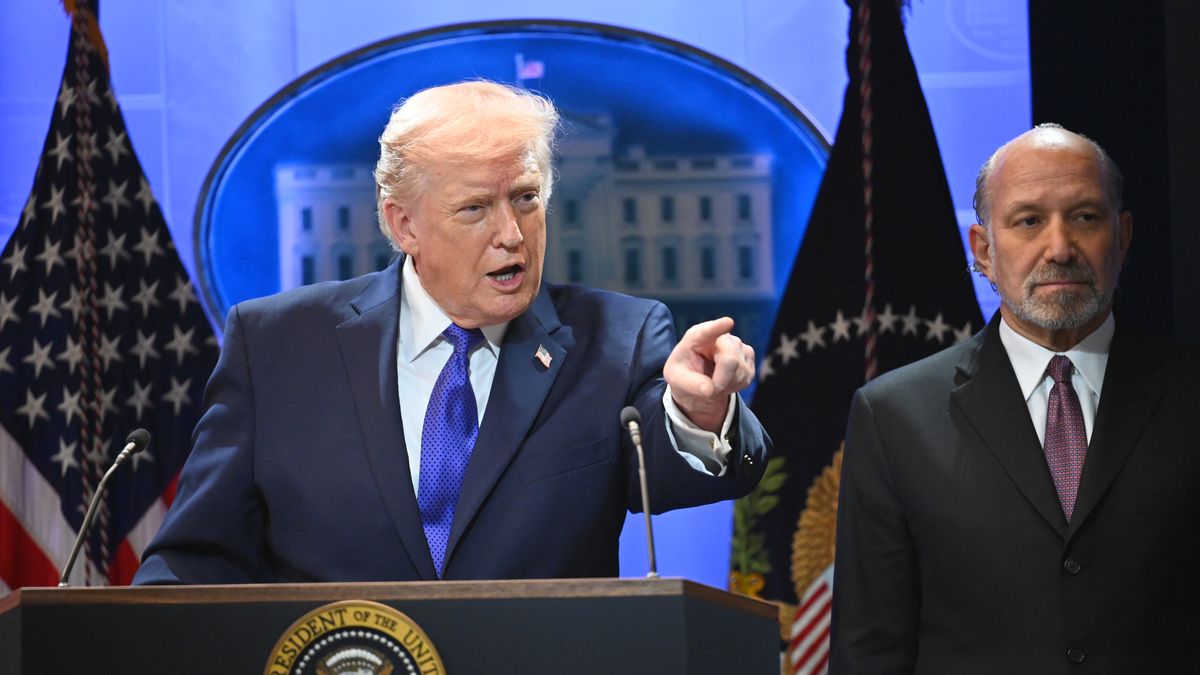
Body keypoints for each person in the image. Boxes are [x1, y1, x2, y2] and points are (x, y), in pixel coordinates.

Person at [133, 81, 769, 585]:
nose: (512, 235)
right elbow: (194, 562)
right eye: (475, 208)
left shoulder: (617, 338)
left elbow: (683, 474)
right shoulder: (277, 347)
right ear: (402, 224)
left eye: (525, 198)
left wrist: (699, 409)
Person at [830, 124, 1199, 672]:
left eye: (1085, 217)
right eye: (1029, 221)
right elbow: (870, 651)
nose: (1059, 248)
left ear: (1121, 237)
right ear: (983, 249)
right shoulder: (893, 416)